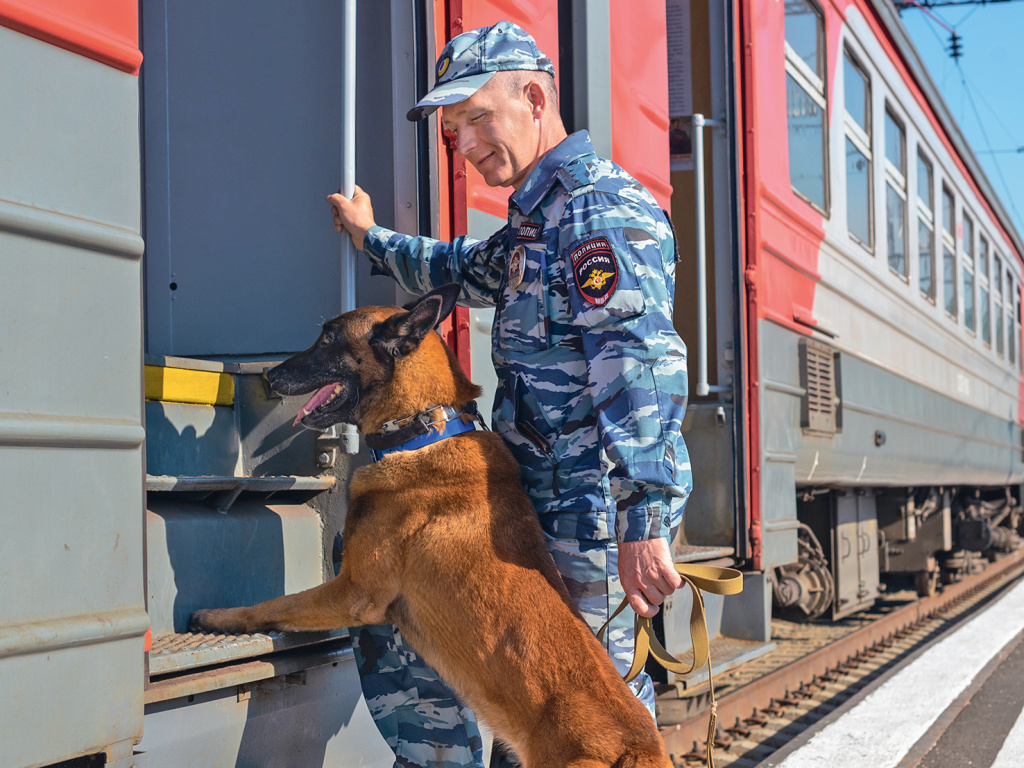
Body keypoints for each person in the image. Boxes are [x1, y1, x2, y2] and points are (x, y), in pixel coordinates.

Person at [328, 21, 692, 768]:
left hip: (588, 526)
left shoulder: (597, 212)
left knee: (599, 737)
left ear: (533, 97)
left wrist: (645, 517)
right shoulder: (536, 219)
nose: (464, 144)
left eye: (476, 119)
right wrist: (372, 240)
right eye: (453, 130)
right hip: (540, 516)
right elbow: (462, 269)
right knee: (538, 731)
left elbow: (640, 369)